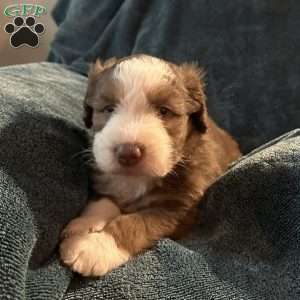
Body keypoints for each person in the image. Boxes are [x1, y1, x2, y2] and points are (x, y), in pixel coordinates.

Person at [0, 1, 299, 299]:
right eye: (108, 108)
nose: (130, 142)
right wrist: (98, 213)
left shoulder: (190, 170)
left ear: (196, 115)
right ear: (89, 112)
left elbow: (180, 213)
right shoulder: (100, 163)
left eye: (164, 111)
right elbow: (108, 191)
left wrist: (116, 240)